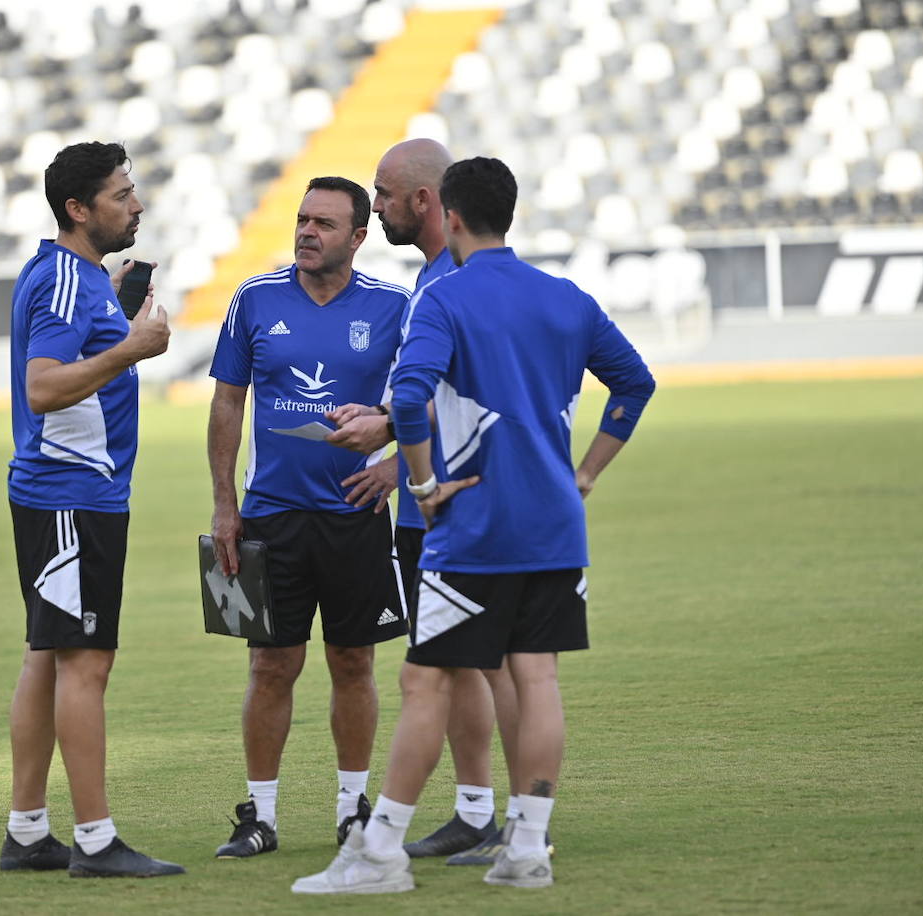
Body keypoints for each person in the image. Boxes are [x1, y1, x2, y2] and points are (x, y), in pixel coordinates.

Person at [293, 156, 655, 894]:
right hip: (555, 522)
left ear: (449, 217)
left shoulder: (443, 299)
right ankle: (527, 846)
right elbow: (634, 384)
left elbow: (414, 392)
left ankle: (381, 852)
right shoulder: (567, 297)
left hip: (475, 524)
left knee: (424, 681)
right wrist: (584, 475)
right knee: (538, 677)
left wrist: (421, 484)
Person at [327, 138, 523, 864]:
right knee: (463, 664)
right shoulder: (434, 281)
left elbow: (478, 386)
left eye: (381, 194)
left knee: (484, 664)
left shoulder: (457, 284)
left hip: (456, 501)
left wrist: (388, 429)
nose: (372, 207)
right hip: (423, 505)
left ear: (422, 201)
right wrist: (390, 454)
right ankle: (477, 811)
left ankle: (512, 821)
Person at [207, 176, 410, 859]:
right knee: (269, 666)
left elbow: (422, 400)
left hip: (356, 516)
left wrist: (397, 467)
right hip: (270, 517)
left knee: (354, 662)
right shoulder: (255, 299)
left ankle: (354, 811)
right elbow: (229, 402)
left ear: (357, 237)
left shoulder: (394, 307)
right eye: (302, 219)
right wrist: (224, 503)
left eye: (324, 223)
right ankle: (259, 817)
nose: (306, 232)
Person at [0, 141, 183, 879]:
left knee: (48, 657)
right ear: (79, 210)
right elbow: (44, 387)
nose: (135, 204)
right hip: (71, 495)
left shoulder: (75, 277)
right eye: (120, 194)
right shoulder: (71, 282)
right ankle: (97, 841)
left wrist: (119, 312)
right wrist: (133, 346)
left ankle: (27, 830)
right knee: (86, 663)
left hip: (62, 494)